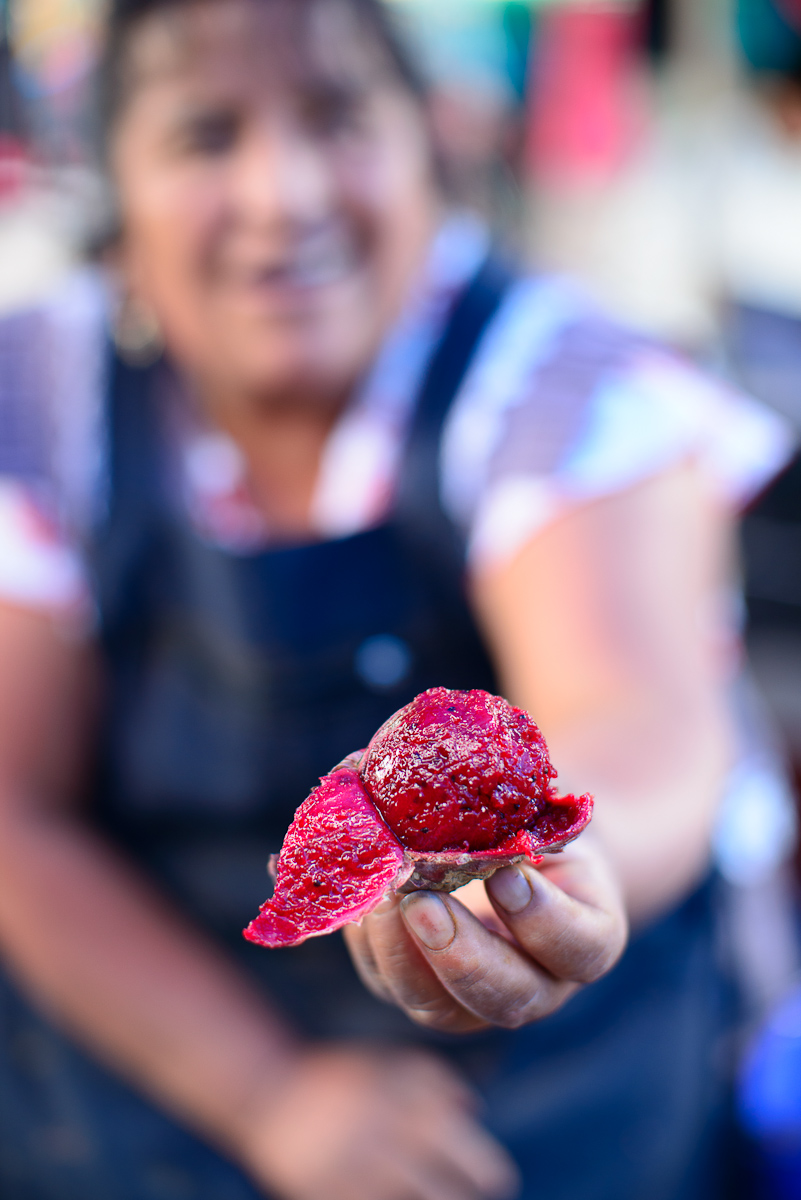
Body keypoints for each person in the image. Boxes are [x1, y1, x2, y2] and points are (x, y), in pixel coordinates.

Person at [0, 0, 790, 1197]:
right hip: (157, 1099)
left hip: (546, 1128)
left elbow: (638, 725)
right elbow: (16, 815)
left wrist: (564, 872)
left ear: (432, 147)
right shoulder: (43, 395)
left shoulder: (556, 381)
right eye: (207, 136)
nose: (284, 195)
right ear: (116, 192)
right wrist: (269, 1094)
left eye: (338, 117)